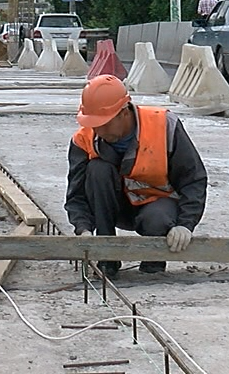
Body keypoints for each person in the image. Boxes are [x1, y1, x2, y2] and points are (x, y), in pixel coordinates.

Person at [65, 75, 207, 276]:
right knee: (97, 169)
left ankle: (153, 261)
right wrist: (83, 228)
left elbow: (193, 179)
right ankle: (107, 257)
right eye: (94, 124)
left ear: (124, 112)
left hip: (157, 205)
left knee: (156, 219)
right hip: (114, 207)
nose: (99, 130)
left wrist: (185, 224)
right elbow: (76, 194)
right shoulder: (84, 138)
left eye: (105, 123)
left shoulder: (164, 125)